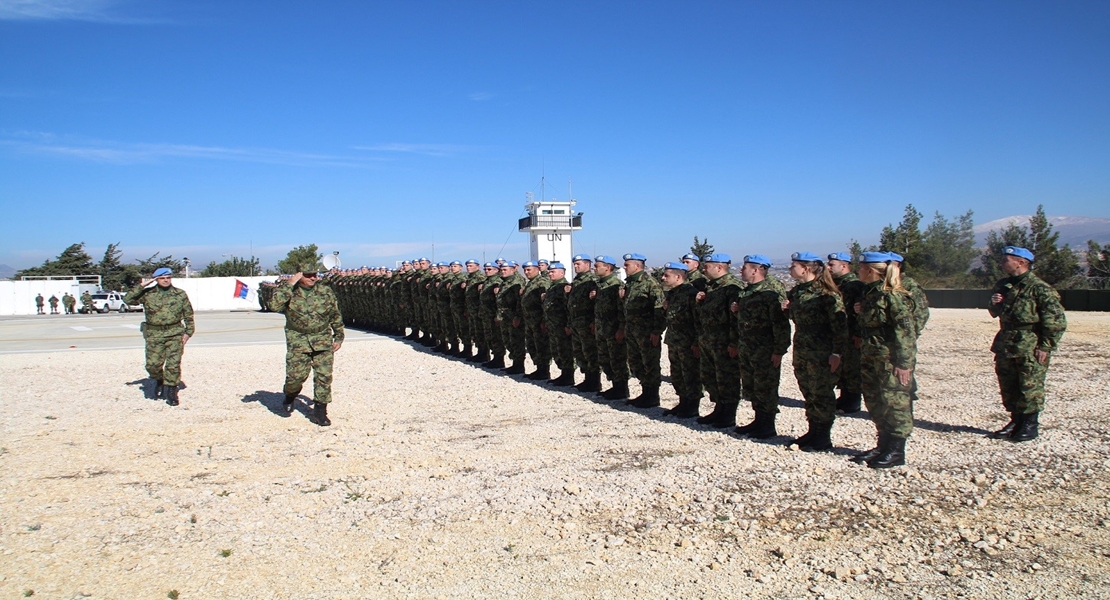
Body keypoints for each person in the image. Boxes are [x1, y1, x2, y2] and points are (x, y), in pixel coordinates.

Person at [987, 246, 1067, 442]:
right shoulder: (1004, 285)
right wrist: (995, 303)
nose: (1002, 263)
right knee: (1009, 383)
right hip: (1007, 342)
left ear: (1020, 262)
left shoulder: (1039, 288)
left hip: (1029, 343)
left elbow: (1055, 320)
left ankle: (1030, 424)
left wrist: (1046, 346)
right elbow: (994, 313)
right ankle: (1015, 421)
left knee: (1029, 385)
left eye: (1006, 260)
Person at [852, 252, 917, 468]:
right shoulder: (870, 293)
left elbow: (905, 332)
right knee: (875, 400)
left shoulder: (893, 296)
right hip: (872, 355)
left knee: (894, 402)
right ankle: (883, 444)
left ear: (870, 270)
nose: (858, 271)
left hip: (889, 358)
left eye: (861, 267)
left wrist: (904, 364)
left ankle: (897, 450)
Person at [784, 252, 848, 451]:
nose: (790, 269)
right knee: (809, 391)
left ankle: (823, 436)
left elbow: (840, 326)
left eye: (793, 265)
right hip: (803, 349)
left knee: (822, 392)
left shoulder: (826, 294)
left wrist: (837, 353)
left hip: (822, 352)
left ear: (806, 268)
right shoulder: (798, 292)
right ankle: (813, 430)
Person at [269, 266, 344, 425]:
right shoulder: (289, 290)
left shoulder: (325, 291)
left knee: (324, 376)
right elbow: (274, 306)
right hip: (298, 339)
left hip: (322, 338)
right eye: (308, 275)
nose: (313, 278)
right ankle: (290, 396)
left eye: (315, 275)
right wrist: (290, 283)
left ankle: (320, 411)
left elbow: (334, 314)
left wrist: (339, 335)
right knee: (295, 377)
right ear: (299, 275)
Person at [731, 254, 791, 438]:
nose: (741, 270)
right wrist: (736, 312)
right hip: (748, 347)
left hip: (764, 349)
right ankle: (758, 420)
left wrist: (779, 350)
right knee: (752, 386)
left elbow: (780, 324)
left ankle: (767, 425)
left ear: (756, 270)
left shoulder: (770, 292)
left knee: (766, 386)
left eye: (745, 267)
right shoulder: (747, 291)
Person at [124, 267, 195, 406]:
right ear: (156, 279)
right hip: (154, 334)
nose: (166, 280)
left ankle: (171, 391)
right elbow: (128, 299)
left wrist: (188, 333)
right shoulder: (147, 294)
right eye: (162, 278)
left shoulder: (180, 294)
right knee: (152, 365)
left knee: (173, 365)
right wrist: (143, 285)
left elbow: (188, 314)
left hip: (174, 333)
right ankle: (158, 380)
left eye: (168, 277)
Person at [695, 254, 743, 427]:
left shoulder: (732, 287)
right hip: (709, 341)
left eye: (707, 266)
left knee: (727, 378)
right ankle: (719, 408)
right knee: (711, 376)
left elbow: (734, 319)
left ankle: (728, 414)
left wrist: (733, 343)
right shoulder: (712, 287)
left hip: (724, 342)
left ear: (719, 268)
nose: (703, 269)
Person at [621, 253, 666, 408]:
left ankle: (653, 396)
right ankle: (645, 392)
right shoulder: (630, 284)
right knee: (636, 362)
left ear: (638, 266)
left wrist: (656, 331)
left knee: (650, 363)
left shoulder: (650, 283)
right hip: (632, 331)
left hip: (647, 332)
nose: (624, 267)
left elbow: (659, 309)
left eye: (627, 265)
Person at [661, 262, 702, 417]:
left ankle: (692, 406)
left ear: (678, 277)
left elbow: (698, 320)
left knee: (690, 373)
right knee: (677, 374)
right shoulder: (672, 293)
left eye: (667, 275)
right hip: (674, 339)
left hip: (687, 341)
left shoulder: (691, 293)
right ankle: (683, 402)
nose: (663, 278)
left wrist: (697, 342)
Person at [827, 252, 866, 414]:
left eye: (832, 265)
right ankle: (844, 397)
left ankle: (853, 400)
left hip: (851, 332)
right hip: (838, 332)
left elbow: (859, 312)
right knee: (841, 367)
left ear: (844, 266)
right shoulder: (832, 284)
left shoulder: (855, 285)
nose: (828, 268)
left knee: (852, 367)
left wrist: (858, 333)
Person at [592, 255, 629, 400]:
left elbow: (621, 309)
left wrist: (621, 328)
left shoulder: (616, 285)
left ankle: (621, 389)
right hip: (602, 328)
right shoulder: (600, 285)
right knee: (605, 358)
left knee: (617, 358)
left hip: (613, 329)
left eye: (597, 266)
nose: (594, 268)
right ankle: (614, 386)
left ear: (607, 268)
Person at [567, 255, 601, 392]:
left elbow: (596, 303)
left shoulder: (592, 281)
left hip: (587, 323)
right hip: (576, 323)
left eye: (578, 264)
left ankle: (594, 382)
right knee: (581, 352)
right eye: (574, 264)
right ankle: (587, 379)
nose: (576, 266)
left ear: (587, 265)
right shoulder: (577, 281)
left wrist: (593, 321)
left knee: (590, 352)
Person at [543, 263, 576, 386]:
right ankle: (563, 374)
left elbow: (568, 307)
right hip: (553, 324)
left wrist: (568, 324)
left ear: (562, 273)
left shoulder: (564, 287)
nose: (550, 274)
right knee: (557, 350)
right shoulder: (553, 287)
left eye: (553, 272)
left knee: (565, 350)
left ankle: (568, 376)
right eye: (549, 272)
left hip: (561, 325)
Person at [520, 261, 553, 380]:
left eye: (529, 270)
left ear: (537, 269)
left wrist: (544, 321)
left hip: (539, 321)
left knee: (542, 346)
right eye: (525, 270)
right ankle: (539, 368)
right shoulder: (531, 283)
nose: (526, 272)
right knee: (532, 345)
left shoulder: (542, 283)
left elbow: (546, 303)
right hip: (530, 321)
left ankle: (544, 371)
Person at [495, 261, 527, 375]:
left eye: (505, 270)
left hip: (513, 317)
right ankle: (514, 363)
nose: (502, 272)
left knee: (516, 341)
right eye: (502, 270)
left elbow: (519, 301)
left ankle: (519, 365)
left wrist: (518, 317)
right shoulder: (505, 282)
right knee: (508, 341)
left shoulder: (516, 282)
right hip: (505, 317)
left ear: (513, 270)